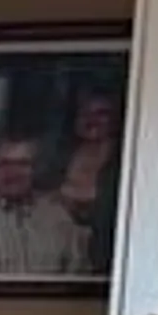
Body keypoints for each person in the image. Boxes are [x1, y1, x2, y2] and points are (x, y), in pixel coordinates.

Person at [0, 132, 89, 280]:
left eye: (23, 164)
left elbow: (78, 274)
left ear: (36, 168)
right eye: (4, 163)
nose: (13, 172)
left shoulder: (56, 214)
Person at [56, 86, 123, 267]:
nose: (91, 120)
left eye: (101, 113)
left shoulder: (122, 164)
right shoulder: (56, 158)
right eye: (84, 112)